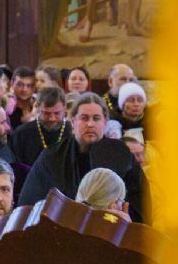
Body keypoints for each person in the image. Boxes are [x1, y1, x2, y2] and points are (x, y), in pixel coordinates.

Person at [20, 93, 145, 221]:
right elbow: (30, 202)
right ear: (72, 122)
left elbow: (140, 204)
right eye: (84, 118)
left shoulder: (121, 154)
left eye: (96, 118)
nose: (90, 124)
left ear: (105, 122)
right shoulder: (52, 156)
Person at [9, 85, 69, 168]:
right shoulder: (22, 133)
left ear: (65, 108)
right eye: (47, 113)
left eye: (57, 113)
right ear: (37, 107)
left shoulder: (73, 132)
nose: (52, 118)